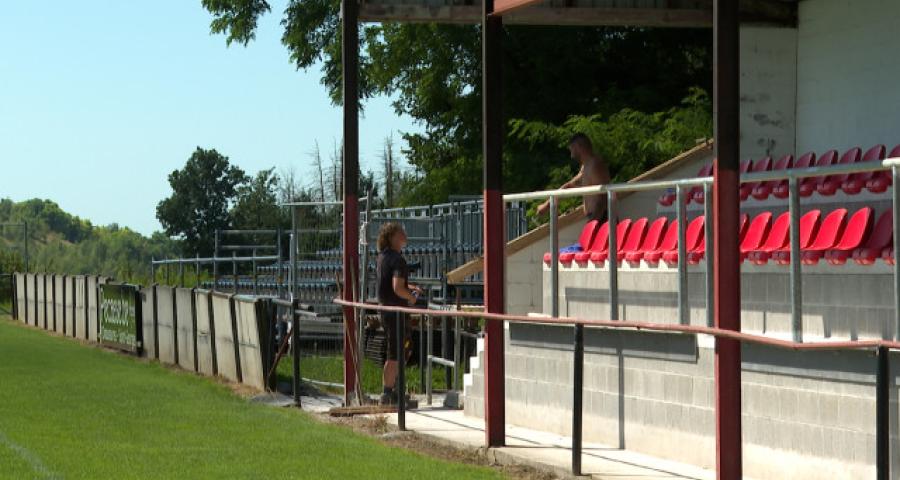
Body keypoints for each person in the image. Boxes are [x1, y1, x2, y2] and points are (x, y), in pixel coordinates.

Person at [375, 222, 423, 405]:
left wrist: (410, 288)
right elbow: (396, 288)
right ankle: (387, 394)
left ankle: (392, 390)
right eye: (400, 232)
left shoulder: (383, 257)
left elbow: (391, 283)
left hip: (386, 310)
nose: (405, 234)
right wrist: (411, 298)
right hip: (395, 311)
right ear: (392, 237)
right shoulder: (397, 260)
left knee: (400, 350)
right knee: (396, 353)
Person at [536, 133, 611, 222]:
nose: (571, 155)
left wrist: (593, 222)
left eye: (572, 149)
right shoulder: (586, 167)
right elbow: (569, 186)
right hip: (596, 218)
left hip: (601, 218)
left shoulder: (595, 165)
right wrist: (547, 204)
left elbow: (603, 196)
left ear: (579, 146)